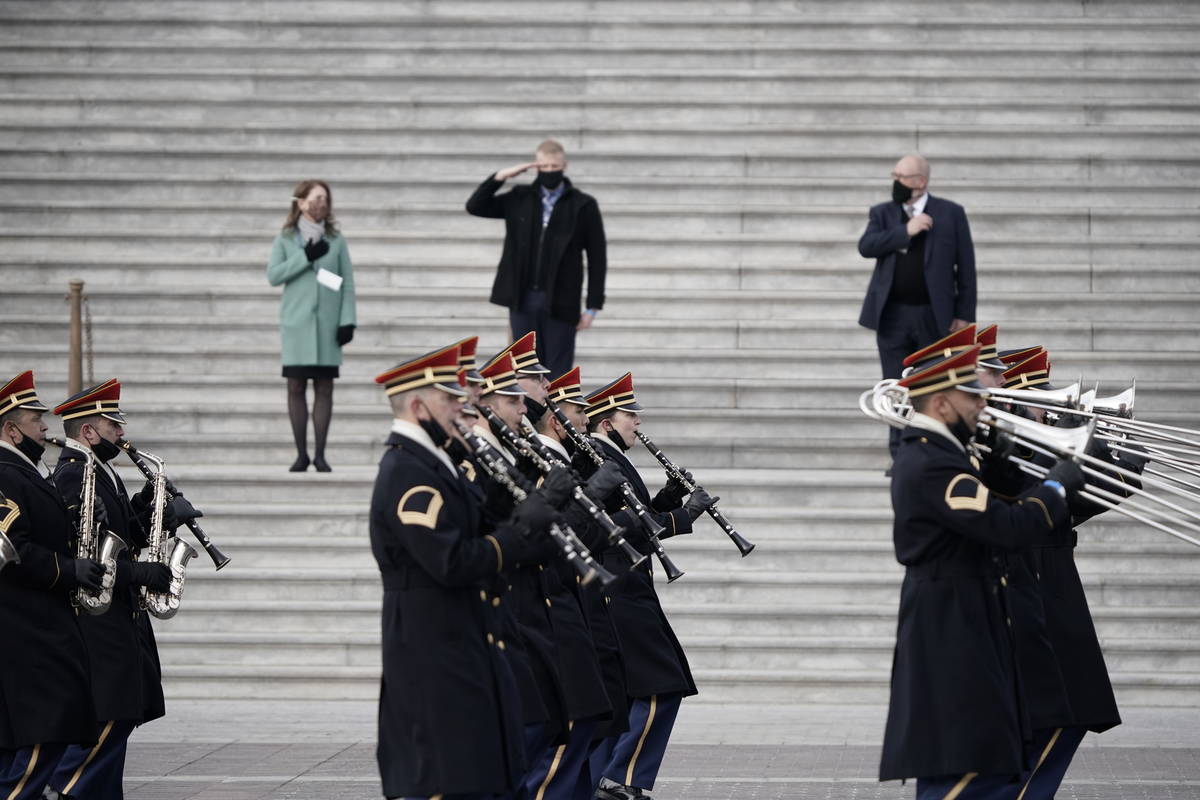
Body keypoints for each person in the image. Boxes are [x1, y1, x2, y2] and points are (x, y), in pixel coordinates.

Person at [878, 344, 1085, 798]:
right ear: (941, 401)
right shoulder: (932, 461)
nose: (983, 403)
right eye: (973, 396)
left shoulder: (943, 455)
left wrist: (1009, 474)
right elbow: (1005, 528)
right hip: (952, 623)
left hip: (966, 616)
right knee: (965, 770)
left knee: (983, 762)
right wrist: (1054, 487)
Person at [370, 341, 560, 800]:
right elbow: (450, 561)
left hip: (460, 640)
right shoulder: (407, 472)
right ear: (417, 406)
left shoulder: (431, 463)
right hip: (433, 647)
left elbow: (470, 525)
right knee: (445, 778)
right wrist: (517, 534)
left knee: (482, 774)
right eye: (450, 399)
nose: (461, 407)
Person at [46, 379, 198, 800]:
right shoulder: (75, 474)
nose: (121, 433)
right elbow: (89, 550)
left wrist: (156, 511)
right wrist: (142, 574)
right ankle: (63, 789)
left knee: (122, 717)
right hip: (99, 619)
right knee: (108, 722)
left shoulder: (101, 469)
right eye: (112, 425)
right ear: (88, 432)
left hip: (120, 617)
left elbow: (119, 529)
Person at [583, 373, 710, 800]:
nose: (637, 423)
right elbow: (617, 530)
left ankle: (605, 779)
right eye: (629, 416)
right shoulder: (599, 459)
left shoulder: (611, 456)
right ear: (605, 422)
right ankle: (622, 777)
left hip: (627, 584)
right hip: (620, 587)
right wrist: (684, 516)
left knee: (625, 695)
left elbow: (637, 517)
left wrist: (668, 499)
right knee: (661, 686)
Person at [0, 371, 97, 800]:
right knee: (45, 733)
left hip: (41, 621)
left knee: (47, 732)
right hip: (26, 624)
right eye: (36, 421)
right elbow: (11, 550)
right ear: (11, 430)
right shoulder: (5, 475)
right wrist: (67, 568)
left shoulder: (25, 471)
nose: (45, 428)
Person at [858, 154, 976, 461]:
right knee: (895, 386)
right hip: (893, 316)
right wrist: (905, 231)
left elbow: (966, 268)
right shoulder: (883, 213)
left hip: (934, 318)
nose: (895, 182)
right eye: (894, 175)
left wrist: (964, 315)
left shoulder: (951, 213)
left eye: (901, 177)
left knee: (930, 386)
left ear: (920, 182)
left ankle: (928, 450)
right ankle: (900, 456)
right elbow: (866, 246)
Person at [467, 139, 607, 378]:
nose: (550, 172)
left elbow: (597, 257)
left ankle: (556, 417)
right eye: (544, 167)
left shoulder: (583, 205)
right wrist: (501, 176)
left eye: (555, 167)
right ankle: (526, 415)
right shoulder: (519, 198)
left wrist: (592, 308)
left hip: (563, 301)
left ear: (564, 166)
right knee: (523, 370)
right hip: (522, 298)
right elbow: (475, 206)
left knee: (558, 373)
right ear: (536, 167)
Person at [267, 179, 357, 472]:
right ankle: (300, 454)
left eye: (325, 199)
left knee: (324, 387)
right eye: (316, 198)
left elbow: (347, 284)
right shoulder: (284, 238)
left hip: (328, 325)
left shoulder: (336, 239)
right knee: (295, 386)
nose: (322, 204)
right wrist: (305, 256)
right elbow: (274, 275)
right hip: (296, 325)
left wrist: (348, 320)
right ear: (301, 202)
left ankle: (319, 454)